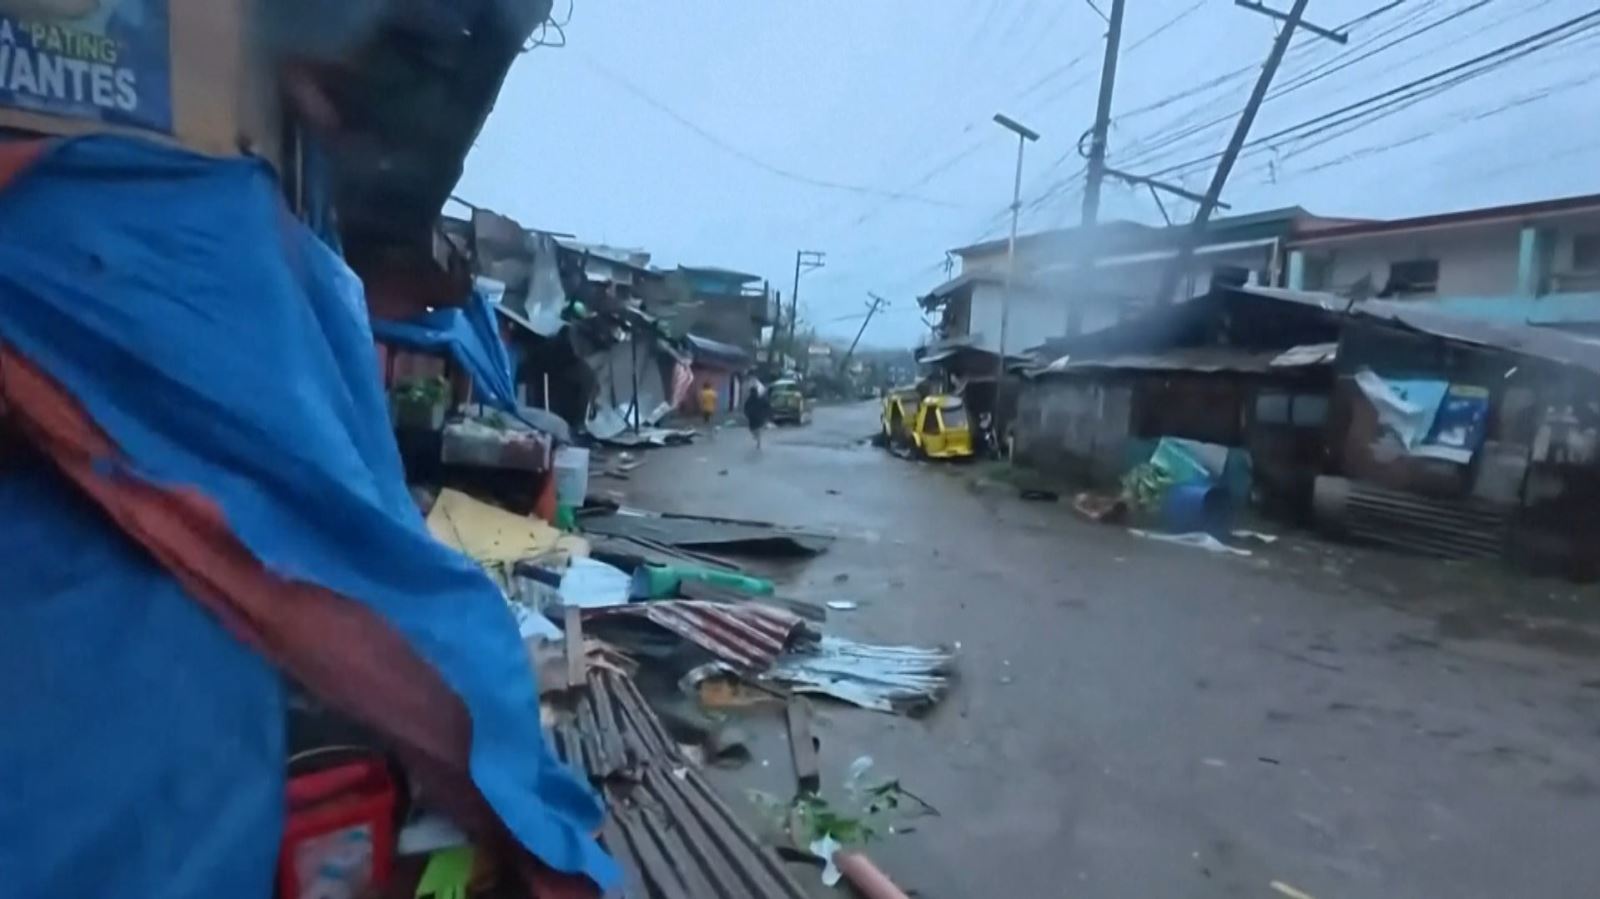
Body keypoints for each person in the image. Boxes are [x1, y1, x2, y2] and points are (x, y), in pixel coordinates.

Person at [744, 379, 771, 449]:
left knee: (753, 429)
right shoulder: (760, 399)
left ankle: (757, 439)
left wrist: (747, 414)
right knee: (757, 429)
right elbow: (767, 406)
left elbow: (746, 407)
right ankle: (758, 439)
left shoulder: (750, 399)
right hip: (759, 417)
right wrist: (766, 414)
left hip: (753, 417)